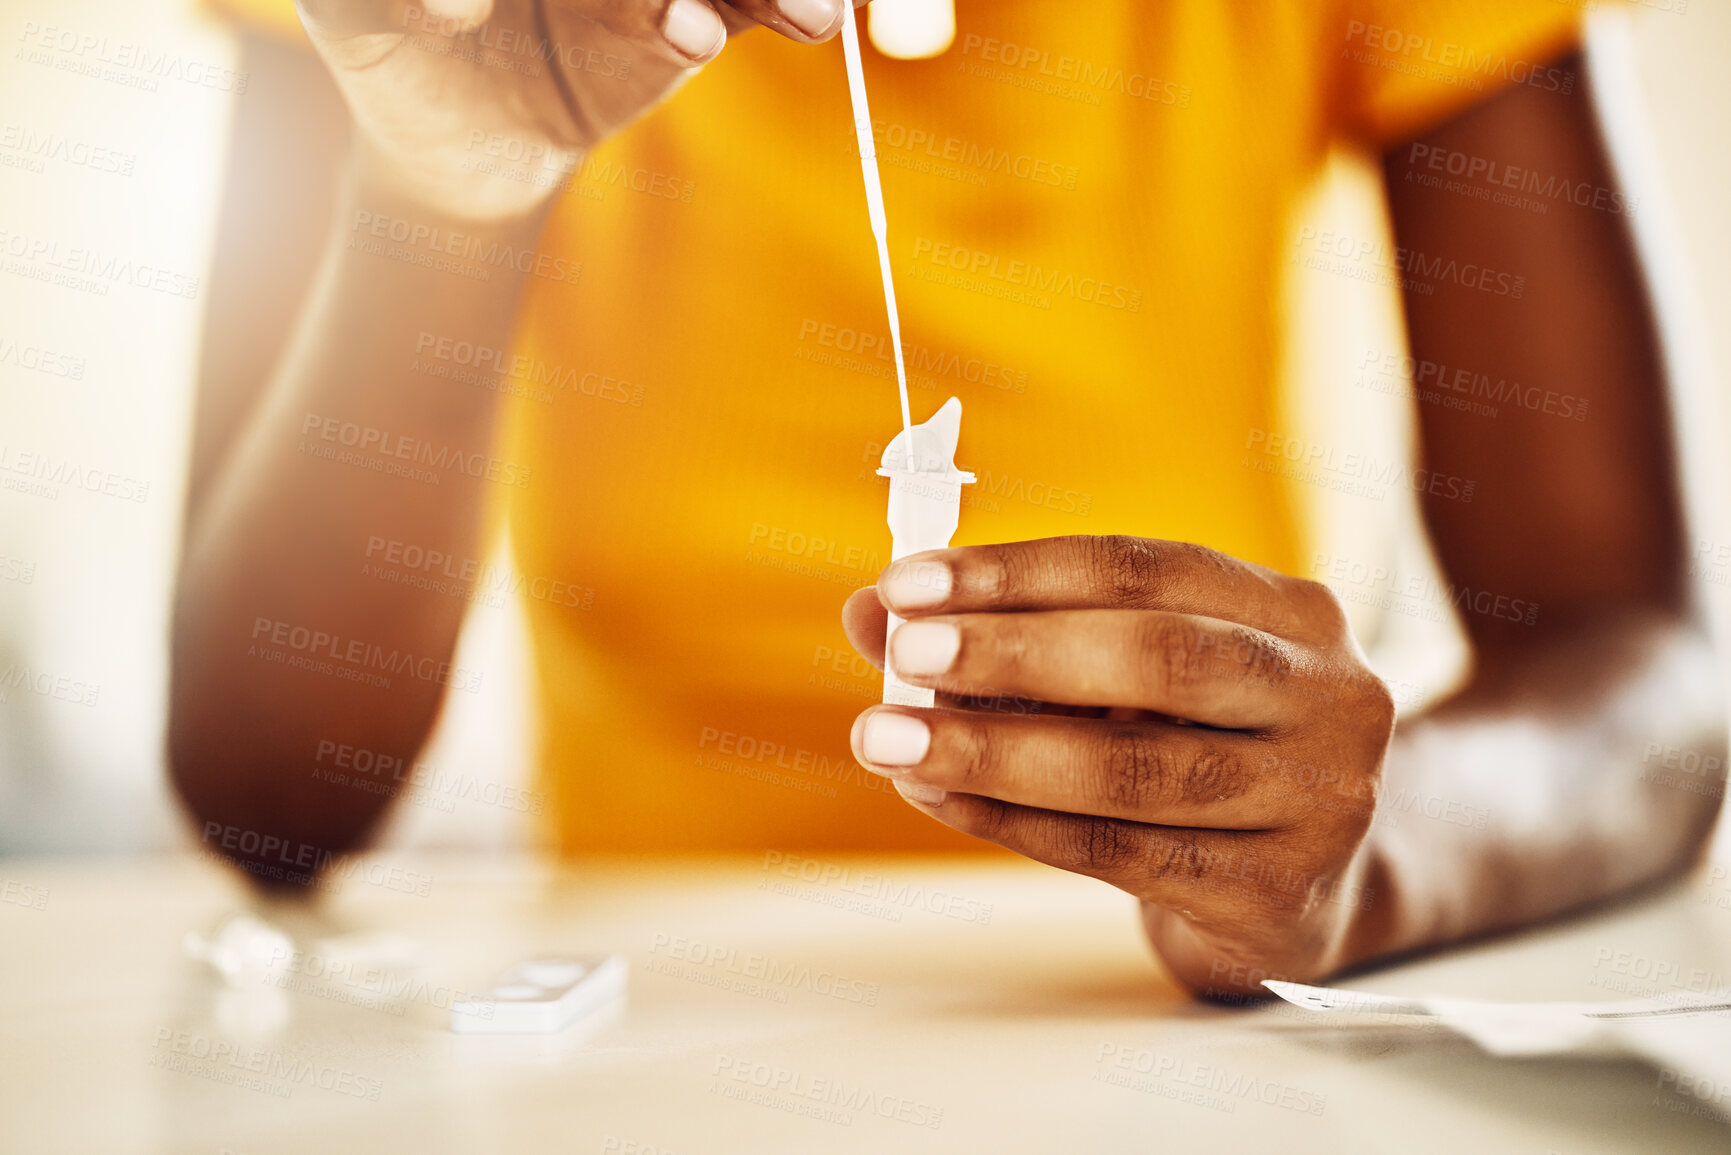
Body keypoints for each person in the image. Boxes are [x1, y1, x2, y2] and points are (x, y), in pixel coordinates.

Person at [170, 0, 1727, 998]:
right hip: (643, 1029)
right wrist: (444, 190)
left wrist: (1366, 866)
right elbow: (271, 789)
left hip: (1166, 1063)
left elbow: (1656, 693)